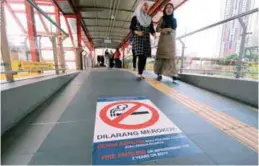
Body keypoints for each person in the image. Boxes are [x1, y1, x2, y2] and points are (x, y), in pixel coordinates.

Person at [154, 3, 180, 83]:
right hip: (163, 41)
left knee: (171, 58)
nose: (169, 9)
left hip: (171, 41)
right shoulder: (162, 18)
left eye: (170, 7)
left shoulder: (174, 20)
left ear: (172, 10)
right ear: (165, 10)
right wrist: (165, 30)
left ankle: (173, 75)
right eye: (167, 8)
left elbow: (174, 29)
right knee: (161, 58)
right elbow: (157, 29)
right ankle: (159, 74)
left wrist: (170, 30)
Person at [130, 1, 155, 80]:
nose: (146, 7)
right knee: (140, 55)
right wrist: (137, 32)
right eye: (144, 5)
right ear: (140, 6)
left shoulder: (149, 19)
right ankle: (139, 73)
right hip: (138, 39)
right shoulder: (135, 17)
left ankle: (140, 72)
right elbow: (131, 28)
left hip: (146, 39)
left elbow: (152, 29)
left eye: (147, 6)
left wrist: (155, 34)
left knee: (144, 56)